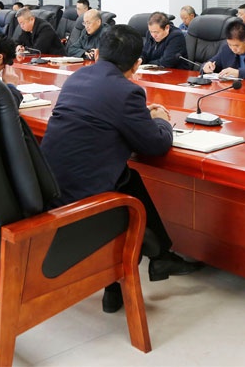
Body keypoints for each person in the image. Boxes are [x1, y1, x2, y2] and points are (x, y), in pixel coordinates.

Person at [39, 25, 203, 314]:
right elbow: (155, 145)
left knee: (129, 178)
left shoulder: (77, 78)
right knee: (124, 186)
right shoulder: (127, 91)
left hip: (50, 189)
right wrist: (160, 120)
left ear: (97, 54)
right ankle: (141, 264)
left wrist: (139, 117)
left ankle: (158, 257)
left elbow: (103, 117)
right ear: (137, 64)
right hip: (81, 203)